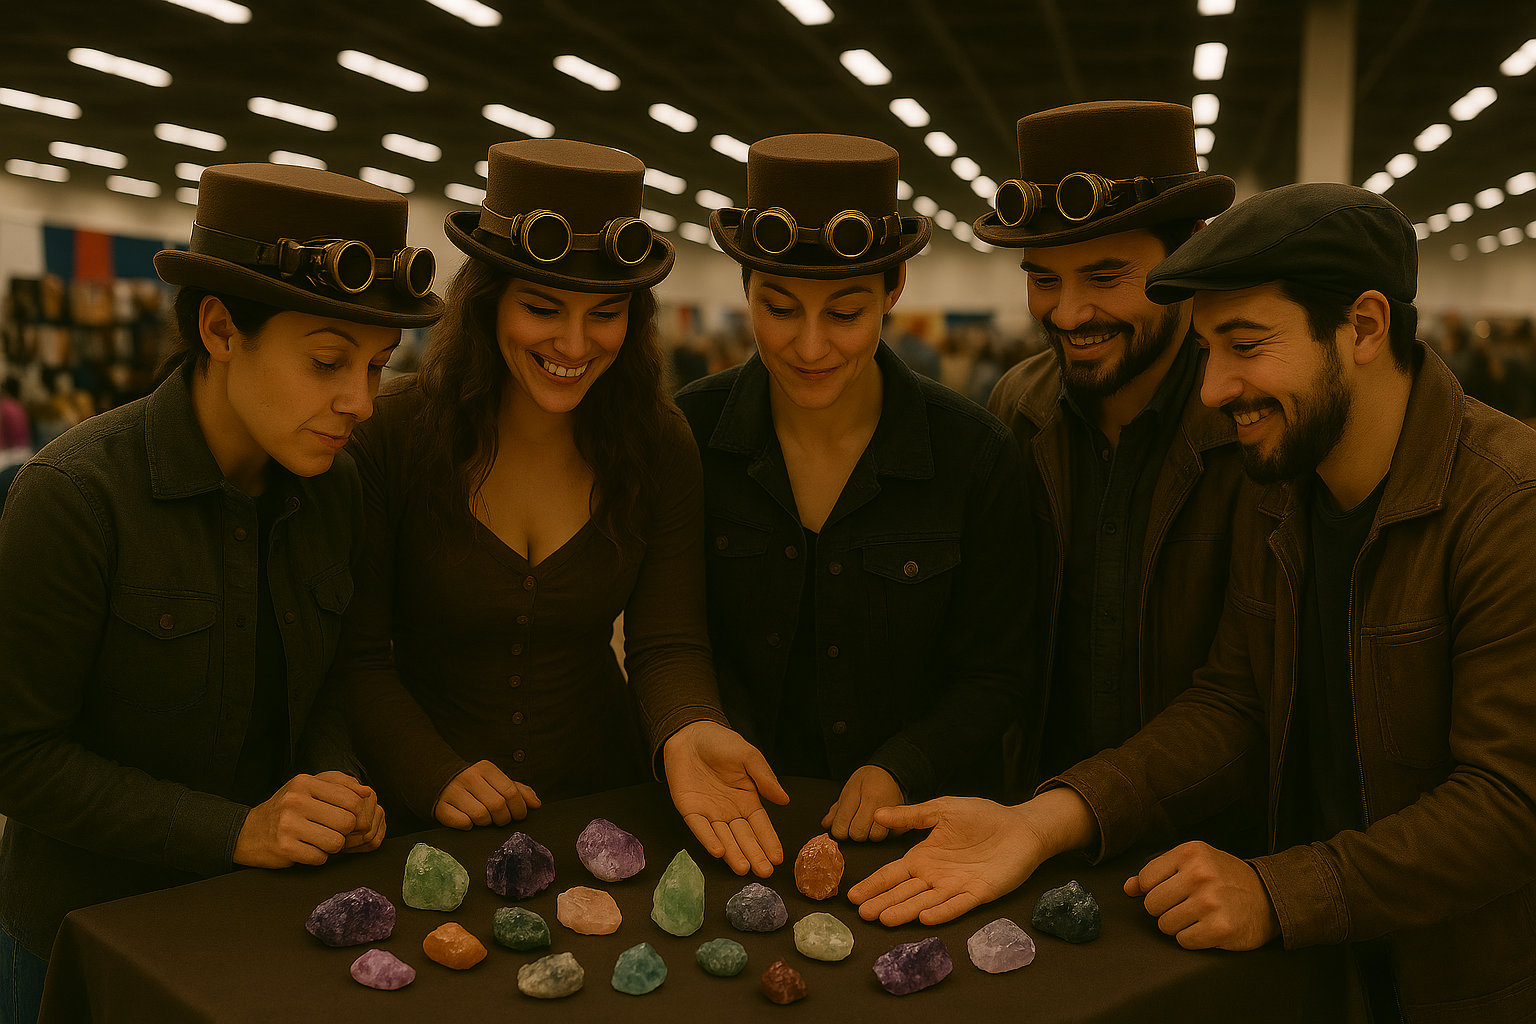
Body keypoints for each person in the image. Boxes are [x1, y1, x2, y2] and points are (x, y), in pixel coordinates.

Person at [849, 183, 1536, 1023]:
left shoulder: (1509, 505)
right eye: (1208, 350)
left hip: (1452, 984)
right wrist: (1042, 822)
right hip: (1306, 975)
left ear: (1362, 327)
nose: (1213, 389)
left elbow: (1511, 802)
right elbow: (1233, 700)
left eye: (1244, 345)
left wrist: (1277, 891)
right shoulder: (1287, 488)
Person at [0, 163, 438, 1023]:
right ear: (220, 328)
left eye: (379, 366)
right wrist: (234, 830)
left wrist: (333, 785)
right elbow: (16, 756)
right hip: (81, 949)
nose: (362, 402)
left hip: (257, 931)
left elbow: (325, 681)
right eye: (326, 361)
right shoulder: (77, 496)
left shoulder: (336, 490)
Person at [342, 139, 786, 877]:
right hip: (428, 822)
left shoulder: (657, 442)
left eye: (606, 314)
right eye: (543, 309)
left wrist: (687, 727)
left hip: (604, 807)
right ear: (487, 305)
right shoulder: (393, 435)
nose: (574, 344)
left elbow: (666, 642)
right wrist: (432, 772)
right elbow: (357, 659)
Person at [674, 133, 1035, 842]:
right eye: (780, 310)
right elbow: (673, 639)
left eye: (844, 313)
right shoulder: (687, 434)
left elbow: (1001, 671)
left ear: (893, 288)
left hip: (919, 830)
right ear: (745, 286)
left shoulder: (972, 452)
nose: (811, 348)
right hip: (732, 817)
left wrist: (905, 765)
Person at [971, 101, 1255, 822]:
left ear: (1189, 254)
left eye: (1104, 277)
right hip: (1030, 825)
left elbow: (1250, 689)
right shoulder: (1018, 407)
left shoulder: (1249, 423)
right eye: (1044, 279)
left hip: (1208, 852)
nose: (1067, 315)